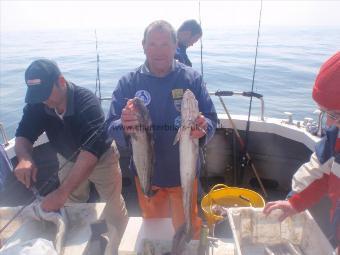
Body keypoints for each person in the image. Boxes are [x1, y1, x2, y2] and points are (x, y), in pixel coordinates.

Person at [107, 20, 217, 240]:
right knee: (155, 231)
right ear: (143, 45)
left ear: (176, 45)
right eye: (153, 44)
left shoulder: (191, 79)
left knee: (188, 228)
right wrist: (124, 125)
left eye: (165, 44)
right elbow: (110, 126)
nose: (159, 51)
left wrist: (204, 128)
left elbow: (212, 119)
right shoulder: (128, 83)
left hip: (184, 174)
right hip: (147, 175)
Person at [14, 59, 128, 254]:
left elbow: (90, 156)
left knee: (113, 204)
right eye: (37, 96)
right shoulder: (38, 104)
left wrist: (60, 193)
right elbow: (23, 135)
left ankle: (117, 247)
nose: (43, 100)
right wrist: (24, 157)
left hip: (101, 159)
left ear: (61, 81)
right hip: (66, 158)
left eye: (45, 93)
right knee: (72, 206)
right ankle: (78, 246)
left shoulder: (87, 102)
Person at [263, 52, 340, 253]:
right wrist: (295, 204)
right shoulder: (335, 139)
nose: (330, 124)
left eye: (336, 114)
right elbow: (325, 177)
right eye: (325, 113)